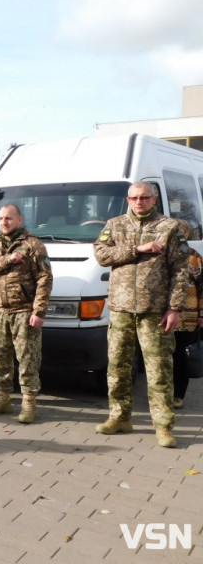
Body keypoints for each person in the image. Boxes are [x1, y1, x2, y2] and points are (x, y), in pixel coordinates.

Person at [93, 182, 187, 448]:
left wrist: (175, 308)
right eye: (134, 198)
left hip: (154, 311)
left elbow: (180, 271)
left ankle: (164, 426)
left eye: (144, 197)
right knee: (118, 368)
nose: (139, 202)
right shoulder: (114, 224)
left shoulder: (169, 227)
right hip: (121, 309)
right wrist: (137, 249)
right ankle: (120, 417)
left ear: (154, 198)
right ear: (128, 199)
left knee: (159, 371)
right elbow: (101, 254)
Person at [0, 204, 53, 423]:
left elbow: (45, 279)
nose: (4, 222)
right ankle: (3, 399)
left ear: (20, 220)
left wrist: (39, 311)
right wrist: (7, 260)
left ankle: (29, 402)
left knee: (28, 359)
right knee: (0, 358)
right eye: (0, 218)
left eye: (8, 218)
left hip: (23, 311)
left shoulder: (33, 245)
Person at [171, 219, 203, 410]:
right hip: (163, 318)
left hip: (188, 319)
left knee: (182, 358)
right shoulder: (160, 255)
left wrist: (202, 314)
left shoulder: (193, 257)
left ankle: (177, 396)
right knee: (164, 358)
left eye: (181, 233)